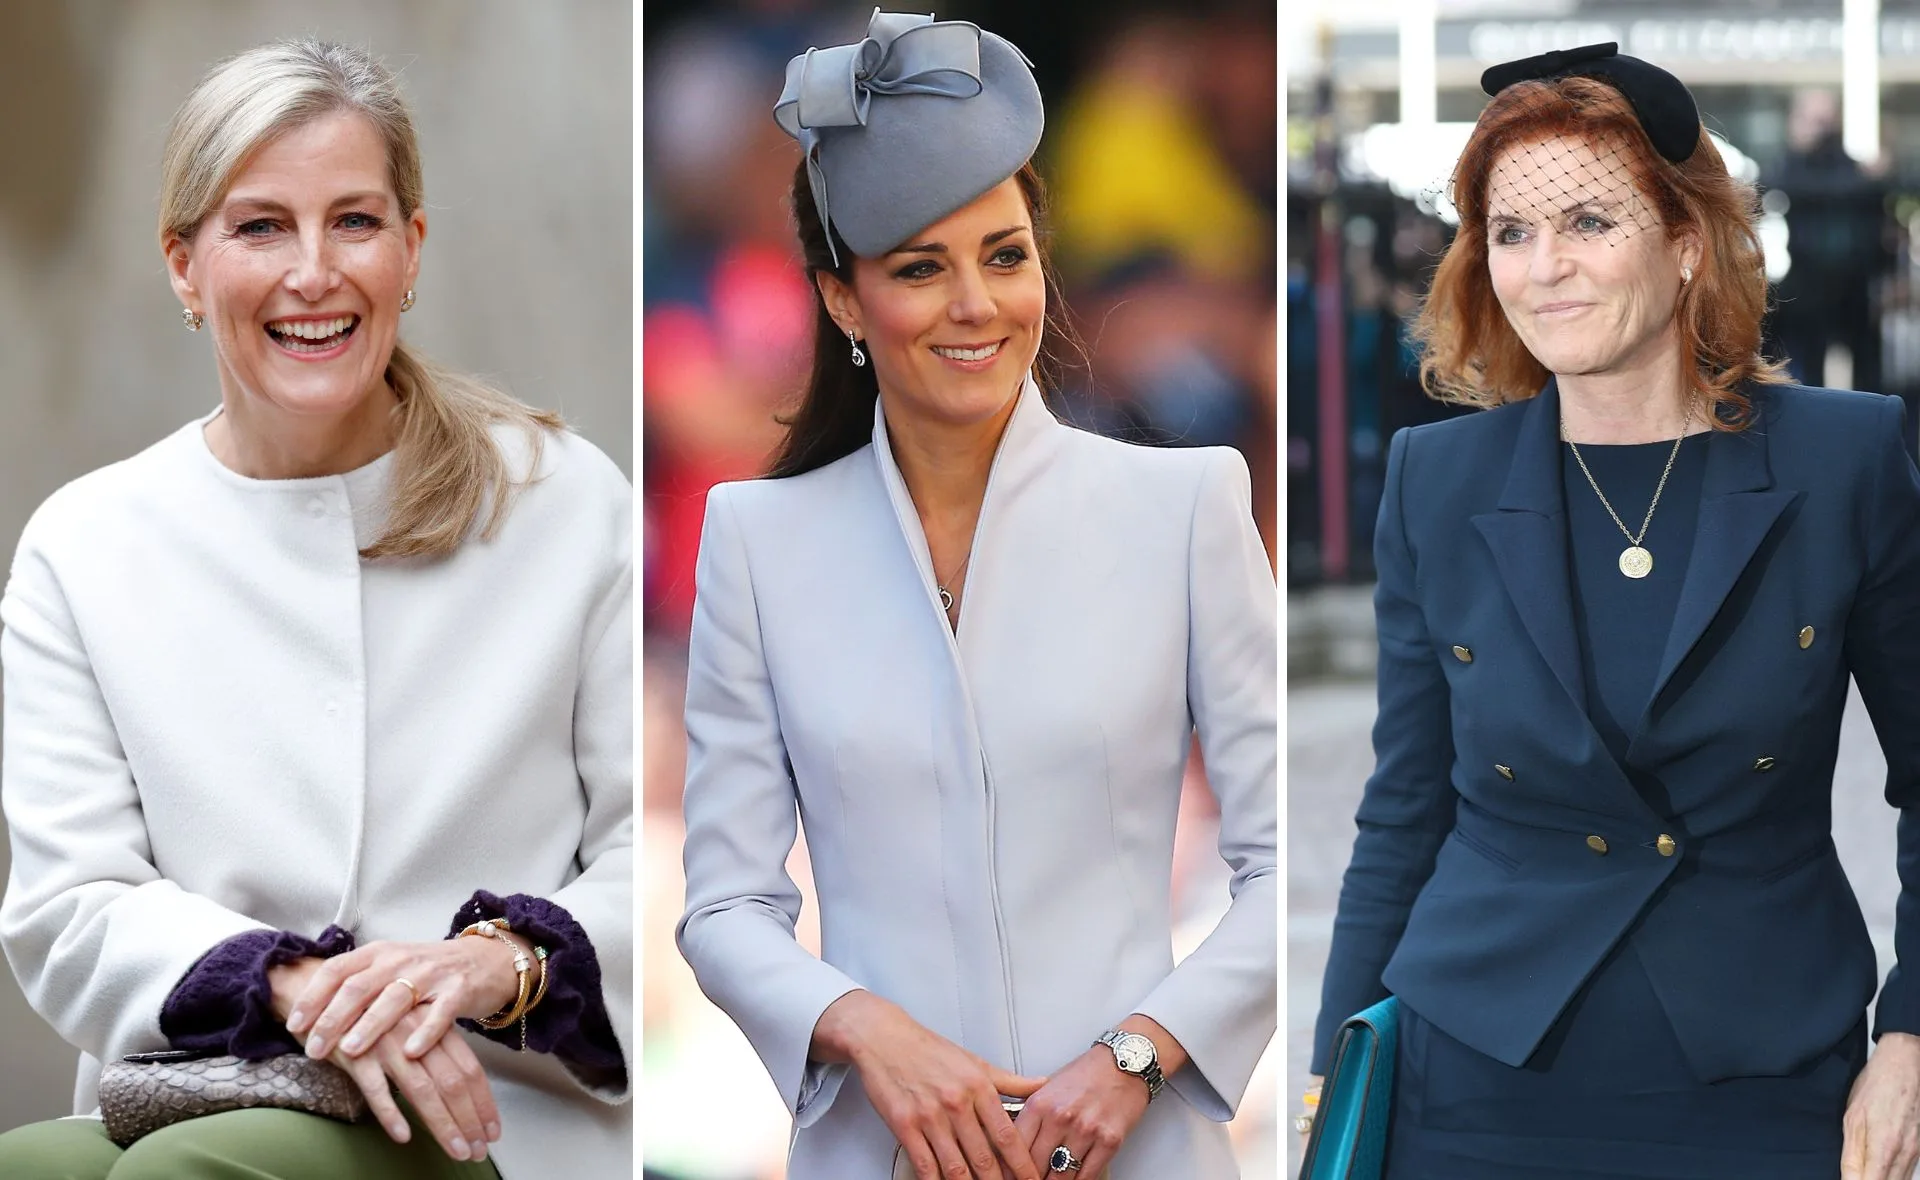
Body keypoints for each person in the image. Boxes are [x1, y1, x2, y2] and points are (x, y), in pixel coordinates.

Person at [0, 38, 631, 1179]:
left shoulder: (565, 500)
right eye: (259, 227)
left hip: (486, 1113)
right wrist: (290, 982)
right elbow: (69, 903)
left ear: (411, 248)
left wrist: (501, 962)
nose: (313, 272)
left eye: (354, 220)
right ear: (184, 267)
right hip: (212, 1078)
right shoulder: (82, 546)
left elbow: (654, 848)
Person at [675, 11, 1275, 1180]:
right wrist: (864, 1029)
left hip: (1138, 1149)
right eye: (918, 267)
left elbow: (1279, 857)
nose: (975, 305)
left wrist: (1139, 1056)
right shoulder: (758, 540)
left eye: (1005, 256)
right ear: (844, 302)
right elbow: (725, 907)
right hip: (877, 1146)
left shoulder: (1186, 505)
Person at [1306, 42, 1920, 1179]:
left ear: (1688, 246)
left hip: (1765, 1078)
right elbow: (1403, 805)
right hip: (1477, 1078)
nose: (1547, 269)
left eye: (1589, 222)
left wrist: (1911, 1037)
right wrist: (1327, 1079)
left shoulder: (1847, 460)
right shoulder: (1434, 480)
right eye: (1512, 232)